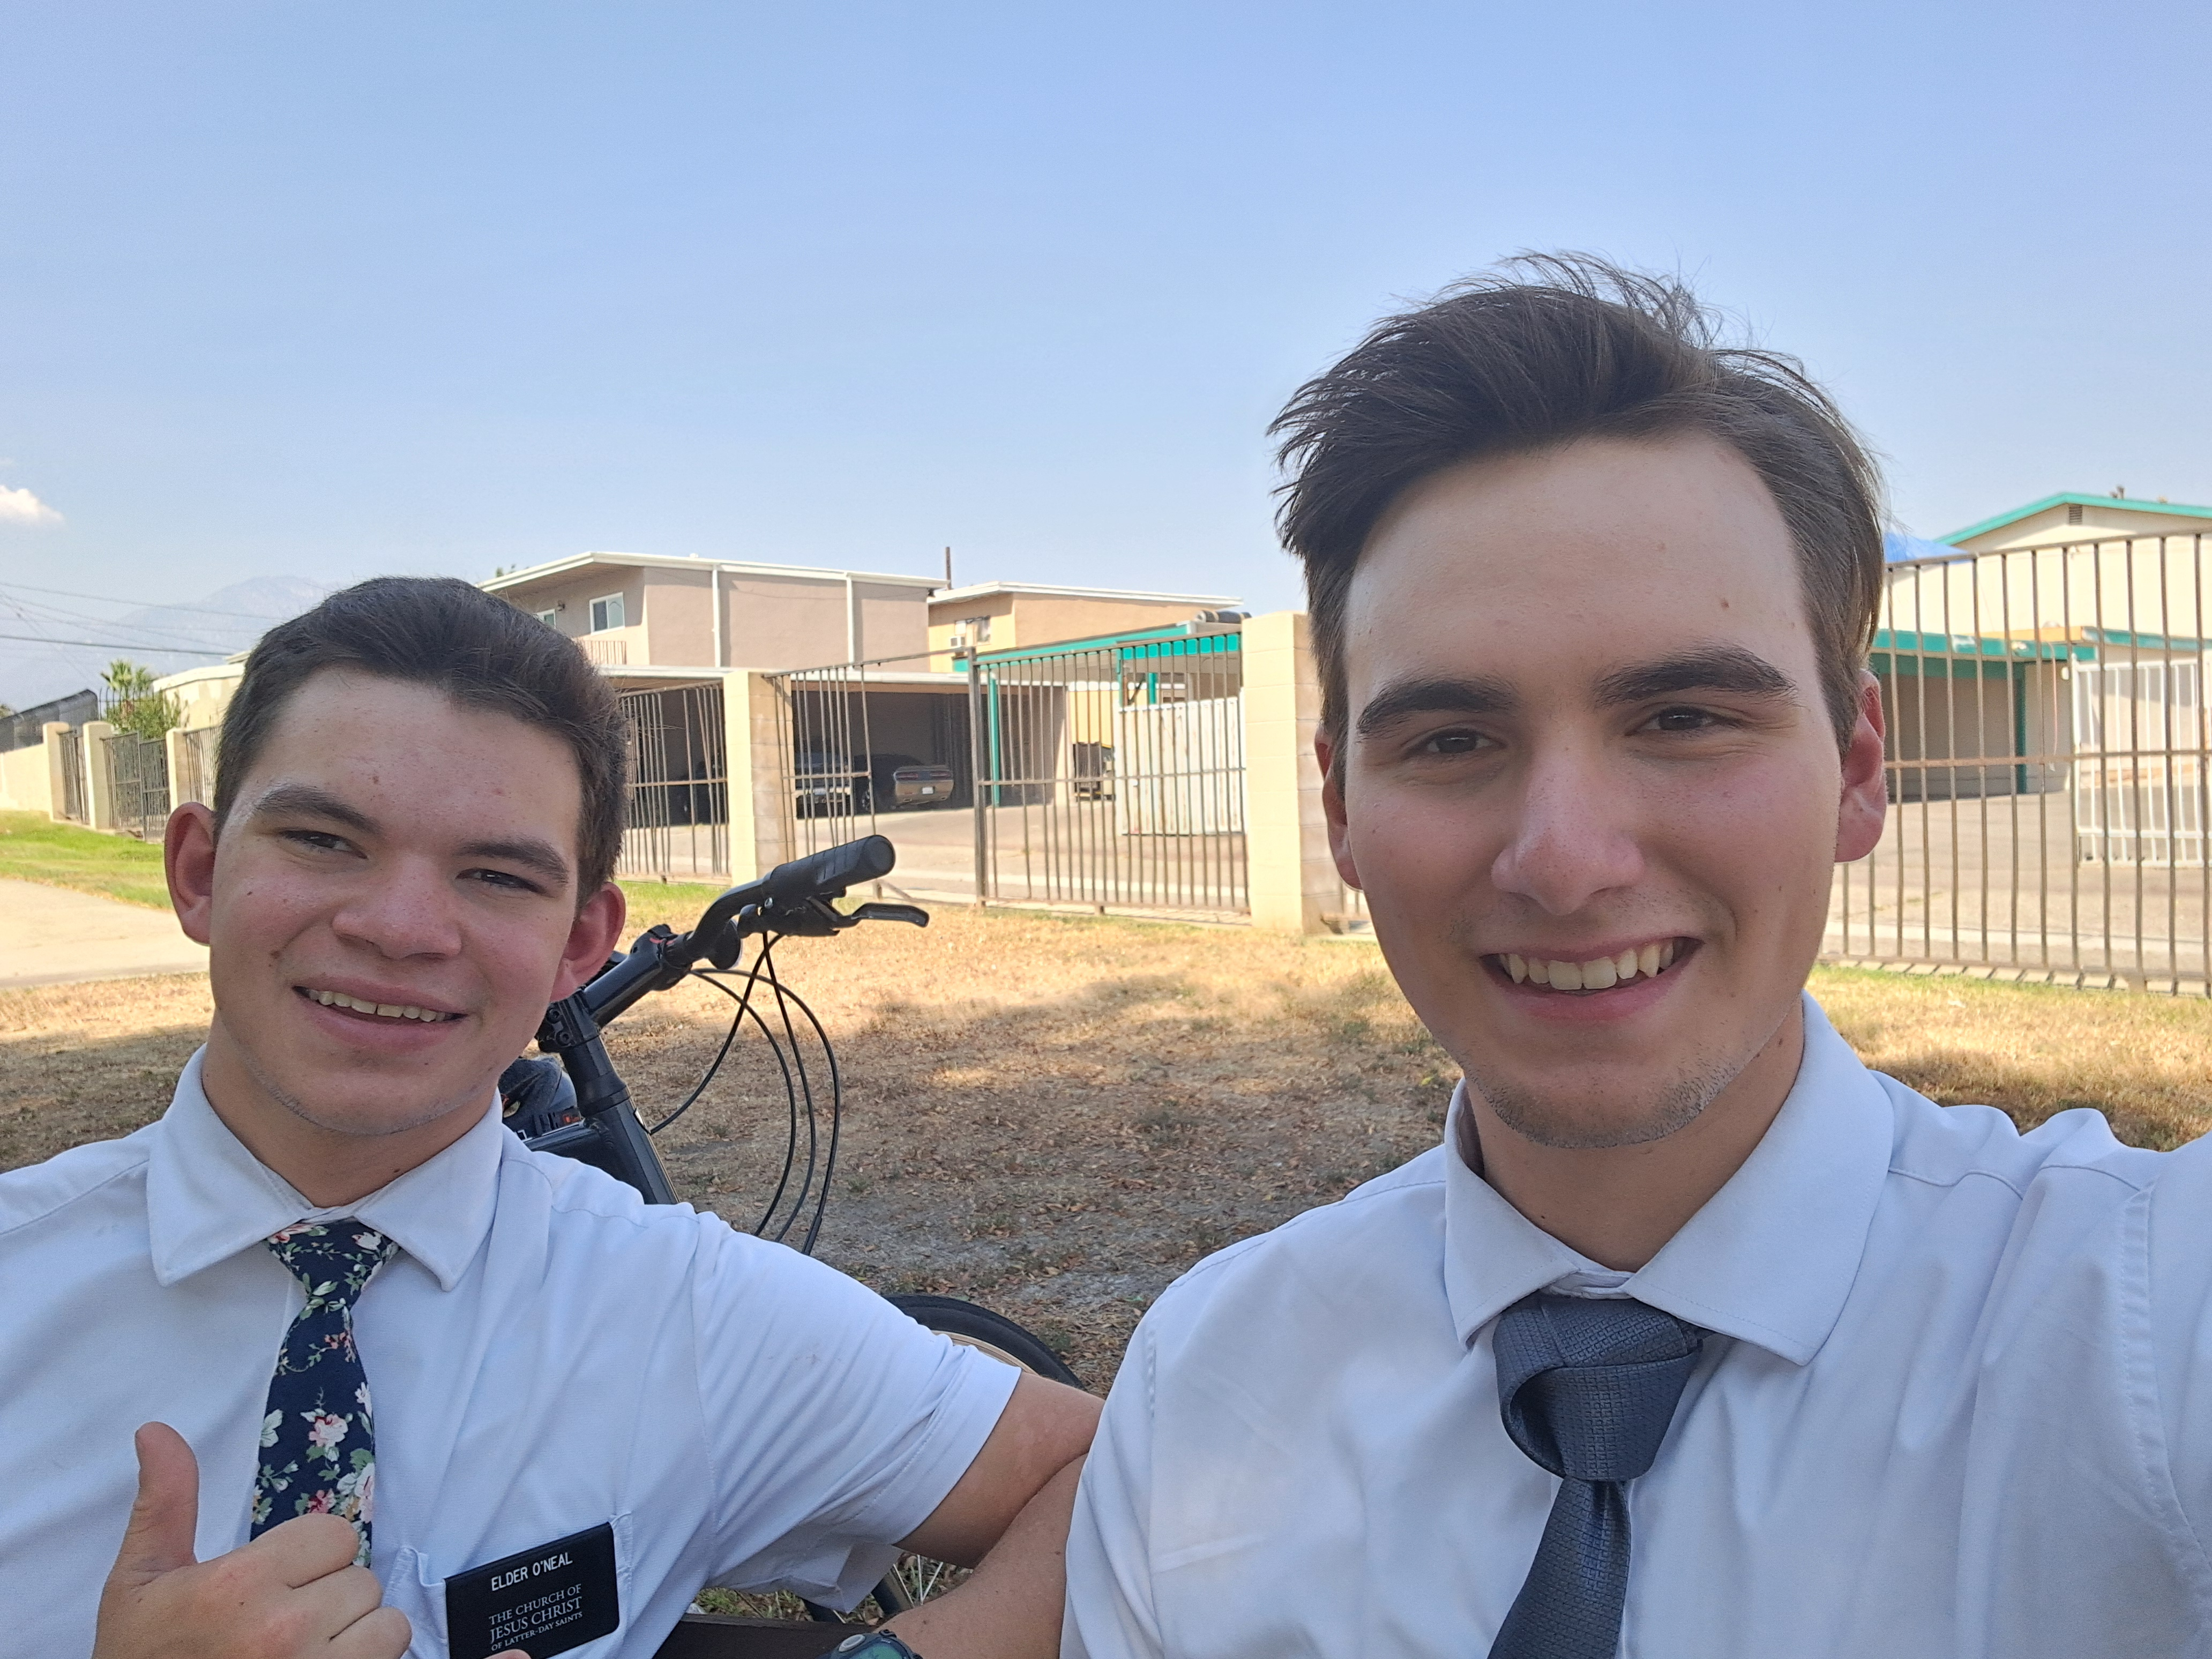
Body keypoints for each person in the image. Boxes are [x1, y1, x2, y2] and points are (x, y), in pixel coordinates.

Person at [1062, 256, 2212, 1658]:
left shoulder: (2147, 1326)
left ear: (1856, 770)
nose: (1565, 859)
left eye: (1681, 718)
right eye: (1453, 740)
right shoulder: (1207, 1394)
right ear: (1341, 810)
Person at [0, 577, 1097, 1659]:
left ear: (581, 944)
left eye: (496, 875)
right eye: (326, 842)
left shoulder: (683, 1312)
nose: (401, 927)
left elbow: (1118, 1474)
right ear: (197, 871)